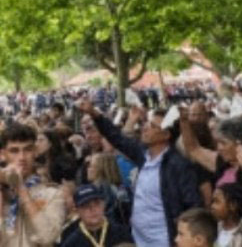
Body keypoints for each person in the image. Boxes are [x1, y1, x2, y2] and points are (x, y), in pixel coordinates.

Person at [78, 99, 201, 247]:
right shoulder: (143, 155)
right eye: (147, 123)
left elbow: (193, 207)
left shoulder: (178, 166)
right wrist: (93, 112)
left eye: (153, 126)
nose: (145, 128)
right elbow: (116, 137)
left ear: (166, 135)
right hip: (137, 239)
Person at [0, 122, 66, 247]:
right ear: (2, 154)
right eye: (14, 151)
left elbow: (47, 237)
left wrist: (21, 189)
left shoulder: (53, 194)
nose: (22, 157)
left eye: (27, 150)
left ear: (35, 152)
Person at [57, 183, 132, 247]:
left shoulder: (121, 233)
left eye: (96, 204)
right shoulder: (71, 242)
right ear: (77, 210)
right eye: (86, 206)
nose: (92, 209)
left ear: (103, 205)